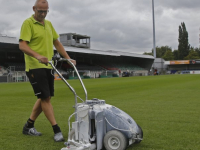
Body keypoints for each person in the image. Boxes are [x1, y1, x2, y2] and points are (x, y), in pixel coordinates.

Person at [19, 0, 76, 142]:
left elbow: (57, 42)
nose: (43, 14)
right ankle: (56, 130)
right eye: (40, 11)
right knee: (45, 97)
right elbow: (22, 45)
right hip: (34, 66)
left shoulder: (49, 24)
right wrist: (38, 56)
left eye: (46, 11)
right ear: (34, 9)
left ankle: (28, 126)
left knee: (46, 97)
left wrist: (68, 58)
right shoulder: (28, 23)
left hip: (49, 66)